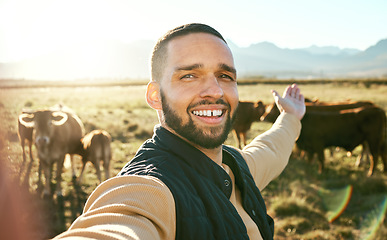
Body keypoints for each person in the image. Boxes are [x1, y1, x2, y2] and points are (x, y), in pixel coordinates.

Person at [53, 23, 305, 240]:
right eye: (189, 76)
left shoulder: (236, 167)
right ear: (155, 96)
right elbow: (119, 222)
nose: (215, 91)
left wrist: (291, 116)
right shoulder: (152, 189)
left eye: (225, 75)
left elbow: (270, 149)